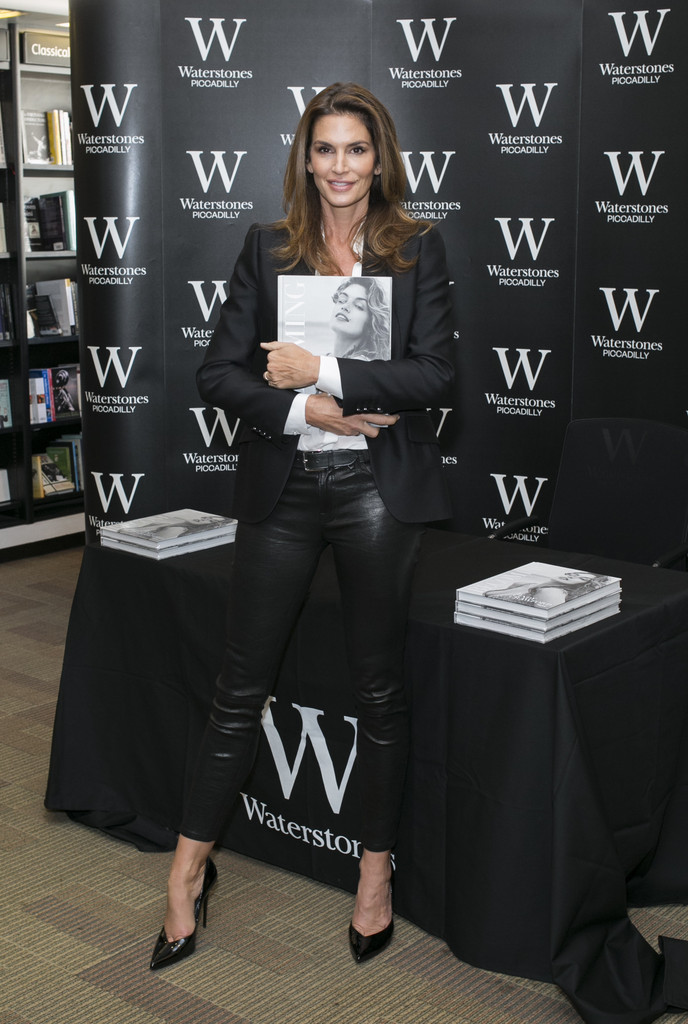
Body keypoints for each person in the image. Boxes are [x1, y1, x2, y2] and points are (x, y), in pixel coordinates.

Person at [149, 81, 455, 971]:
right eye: (325, 150)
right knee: (238, 691)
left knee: (380, 694)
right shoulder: (267, 248)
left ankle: (373, 877)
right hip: (285, 489)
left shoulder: (417, 252)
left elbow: (434, 377)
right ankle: (185, 873)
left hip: (376, 495)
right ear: (305, 157)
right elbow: (220, 374)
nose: (340, 168)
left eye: (356, 149)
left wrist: (322, 367)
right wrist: (306, 414)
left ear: (379, 158)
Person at [329, 276, 391, 360]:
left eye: (358, 306)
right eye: (342, 300)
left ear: (371, 323)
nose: (345, 306)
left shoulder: (361, 365)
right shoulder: (327, 358)